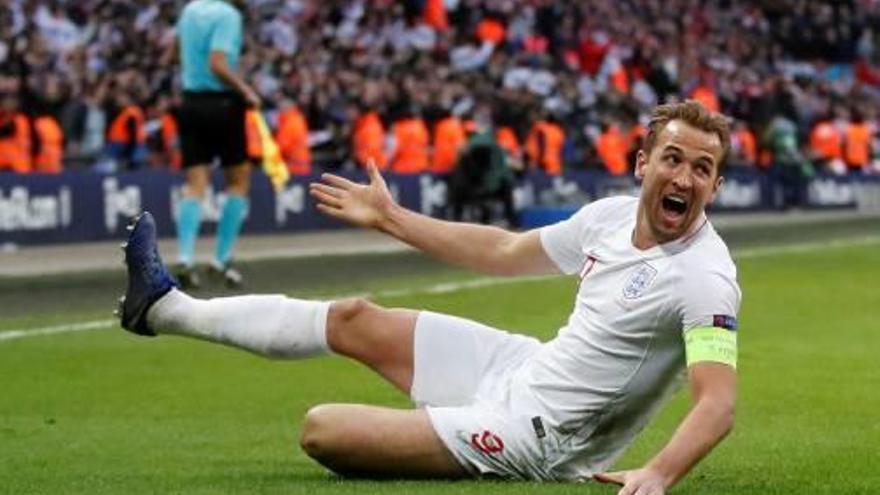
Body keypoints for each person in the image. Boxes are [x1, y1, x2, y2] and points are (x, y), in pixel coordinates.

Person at [117, 101, 740, 494]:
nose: (684, 177)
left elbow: (718, 402)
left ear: (713, 185)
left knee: (322, 429)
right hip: (522, 366)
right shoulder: (607, 217)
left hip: (538, 436)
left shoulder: (704, 277)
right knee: (356, 318)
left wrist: (657, 474)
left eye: (702, 168)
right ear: (643, 164)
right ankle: (165, 308)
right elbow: (501, 251)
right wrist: (392, 218)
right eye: (673, 158)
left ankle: (454, 434)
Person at [171, 0, 261, 289]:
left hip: (190, 103)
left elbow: (174, 52)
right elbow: (217, 63)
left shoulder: (190, 10)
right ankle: (221, 259)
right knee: (238, 180)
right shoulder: (228, 15)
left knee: (195, 183)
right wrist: (245, 89)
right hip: (222, 104)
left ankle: (185, 257)